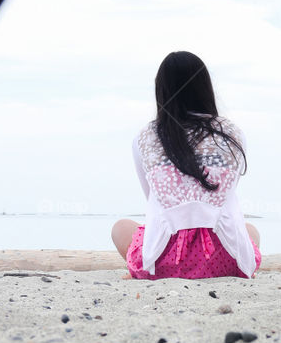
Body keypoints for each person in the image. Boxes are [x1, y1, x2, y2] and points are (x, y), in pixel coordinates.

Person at [111, 51, 261, 280]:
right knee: (251, 231)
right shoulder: (232, 134)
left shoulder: (145, 137)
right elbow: (226, 195)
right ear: (205, 87)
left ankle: (142, 272)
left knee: (121, 228)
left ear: (161, 90)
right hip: (226, 260)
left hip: (164, 263)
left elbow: (152, 198)